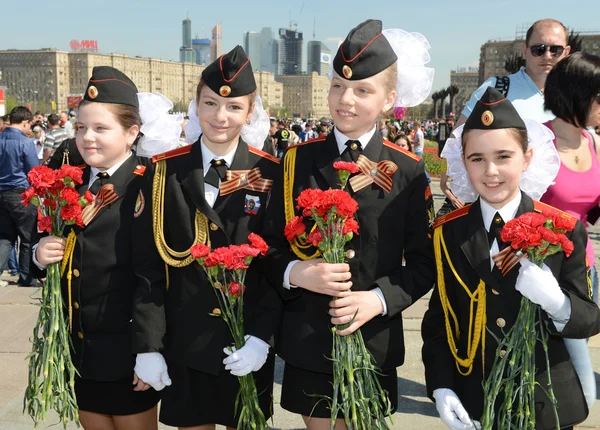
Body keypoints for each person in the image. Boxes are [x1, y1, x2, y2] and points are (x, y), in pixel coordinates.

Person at [261, 19, 435, 429]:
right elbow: (266, 247)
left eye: (362, 90)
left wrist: (377, 299)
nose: (346, 99)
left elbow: (424, 264)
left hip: (373, 341)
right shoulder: (294, 162)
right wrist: (294, 271)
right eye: (338, 85)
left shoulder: (408, 171)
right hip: (310, 342)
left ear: (389, 98)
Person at [422, 87, 600, 430]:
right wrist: (441, 384)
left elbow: (590, 318)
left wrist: (558, 303)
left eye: (504, 156)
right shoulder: (448, 232)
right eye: (477, 159)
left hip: (546, 403)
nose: (491, 171)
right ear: (464, 160)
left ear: (527, 157)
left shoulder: (562, 228)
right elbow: (440, 319)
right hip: (475, 399)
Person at [132, 46, 281, 429]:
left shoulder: (272, 173)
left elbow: (276, 262)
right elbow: (148, 266)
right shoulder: (165, 172)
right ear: (195, 106)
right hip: (186, 344)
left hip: (246, 343)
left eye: (234, 107)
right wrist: (149, 345)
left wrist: (262, 337)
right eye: (210, 103)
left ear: (250, 113)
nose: (220, 116)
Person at [32, 66, 162, 430]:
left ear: (131, 132)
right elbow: (49, 243)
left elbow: (154, 276)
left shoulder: (150, 185)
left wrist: (150, 349)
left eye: (100, 129)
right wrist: (39, 254)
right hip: (79, 349)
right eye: (80, 128)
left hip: (127, 352)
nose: (87, 138)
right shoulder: (68, 183)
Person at [540, 51, 600, 410]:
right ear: (576, 94)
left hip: (586, 272)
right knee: (583, 392)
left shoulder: (593, 142)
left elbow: (586, 211)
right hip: (546, 279)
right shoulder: (536, 143)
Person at [455, 19, 571, 127]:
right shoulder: (495, 89)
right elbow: (455, 143)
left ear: (566, 53)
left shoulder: (576, 95)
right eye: (538, 49)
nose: (547, 56)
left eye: (555, 50)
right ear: (525, 51)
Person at [0, 106, 39, 288]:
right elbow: (33, 170)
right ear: (25, 122)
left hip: (2, 194)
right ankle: (26, 277)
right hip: (21, 193)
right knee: (27, 237)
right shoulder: (25, 142)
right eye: (29, 125)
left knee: (5, 237)